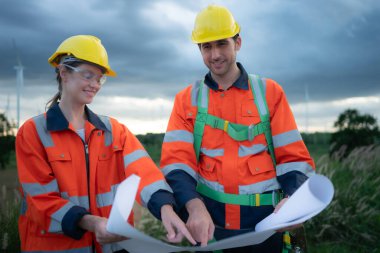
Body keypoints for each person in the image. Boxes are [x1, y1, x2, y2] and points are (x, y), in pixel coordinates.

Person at [16, 35, 195, 253]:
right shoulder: (34, 132)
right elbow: (40, 201)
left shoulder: (113, 131)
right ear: (64, 73)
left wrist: (166, 209)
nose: (95, 85)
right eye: (88, 76)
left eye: (99, 79)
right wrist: (90, 222)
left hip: (112, 247)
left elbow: (145, 174)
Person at [160, 5, 315, 253]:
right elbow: (176, 163)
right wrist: (193, 206)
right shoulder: (186, 100)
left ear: (238, 43)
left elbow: (294, 159)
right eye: (206, 47)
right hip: (210, 227)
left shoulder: (269, 93)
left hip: (266, 226)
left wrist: (293, 199)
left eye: (222, 44)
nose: (215, 54)